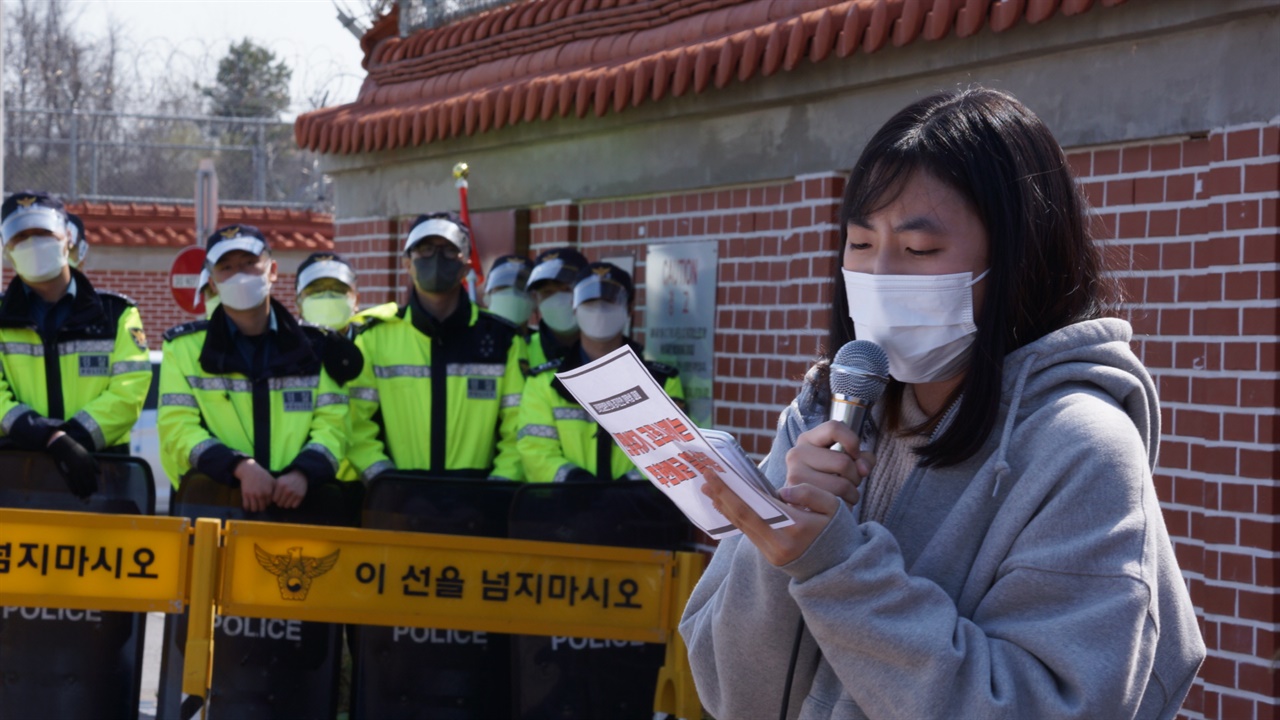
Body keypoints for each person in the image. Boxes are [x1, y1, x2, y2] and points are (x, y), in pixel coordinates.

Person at [680, 88, 1204, 720]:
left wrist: (838, 567)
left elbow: (1050, 705)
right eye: (859, 244)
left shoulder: (1079, 447)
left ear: (1016, 258)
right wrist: (781, 554)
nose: (880, 275)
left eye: (920, 250)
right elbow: (728, 690)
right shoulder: (824, 414)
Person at [157, 224, 352, 512]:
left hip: (303, 507)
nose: (240, 275)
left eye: (250, 264)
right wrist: (240, 467)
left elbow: (335, 425)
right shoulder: (182, 348)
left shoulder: (318, 346)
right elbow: (178, 429)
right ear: (212, 282)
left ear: (272, 270)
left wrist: (303, 472)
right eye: (227, 267)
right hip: (216, 506)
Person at [346, 211, 526, 482]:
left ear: (466, 265)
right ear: (407, 263)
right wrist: (385, 481)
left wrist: (499, 488)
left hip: (479, 505)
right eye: (425, 249)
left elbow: (519, 427)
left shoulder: (504, 340)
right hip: (398, 503)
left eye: (448, 250)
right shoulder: (373, 338)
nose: (436, 258)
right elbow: (356, 424)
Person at [0, 191, 150, 497]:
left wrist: (73, 439)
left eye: (42, 232)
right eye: (21, 237)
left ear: (68, 237)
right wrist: (51, 439)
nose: (32, 243)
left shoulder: (117, 315)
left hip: (103, 477)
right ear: (7, 249)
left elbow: (129, 392)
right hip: (14, 479)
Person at [519, 262, 683, 483]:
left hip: (639, 509)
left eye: (609, 300)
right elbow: (535, 449)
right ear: (574, 307)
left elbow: (671, 451)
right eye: (589, 300)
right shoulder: (544, 382)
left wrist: (627, 490)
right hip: (564, 507)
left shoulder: (662, 381)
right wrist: (575, 483)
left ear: (630, 309)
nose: (599, 309)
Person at [525, 246, 588, 372]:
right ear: (536, 298)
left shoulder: (607, 348)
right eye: (548, 292)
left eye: (566, 290)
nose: (558, 300)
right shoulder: (522, 350)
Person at [295, 251, 360, 333]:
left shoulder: (371, 341)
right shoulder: (285, 344)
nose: (327, 296)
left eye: (338, 289)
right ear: (298, 303)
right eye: (317, 290)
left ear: (356, 301)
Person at [482, 253, 534, 328]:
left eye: (520, 287)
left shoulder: (544, 339)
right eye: (503, 286)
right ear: (486, 297)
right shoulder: (471, 338)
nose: (512, 293)